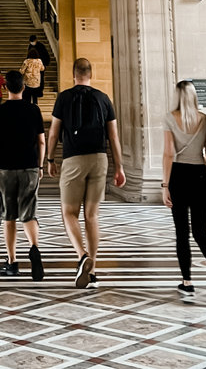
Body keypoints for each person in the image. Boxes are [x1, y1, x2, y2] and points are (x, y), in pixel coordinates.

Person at [46, 58, 126, 288]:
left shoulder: (64, 97)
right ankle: (93, 272)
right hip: (99, 158)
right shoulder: (103, 98)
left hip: (74, 158)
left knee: (69, 212)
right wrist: (118, 166)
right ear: (91, 74)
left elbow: (53, 133)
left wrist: (50, 159)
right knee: (92, 216)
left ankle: (82, 256)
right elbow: (113, 136)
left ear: (73, 74)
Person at [162, 80, 206, 303]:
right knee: (201, 231)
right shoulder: (205, 119)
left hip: (178, 174)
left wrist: (165, 185)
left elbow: (169, 153)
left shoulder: (170, 118)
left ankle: (187, 282)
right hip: (199, 173)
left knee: (182, 232)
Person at [0, 68, 46, 280]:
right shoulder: (33, 110)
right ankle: (34, 248)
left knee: (9, 216)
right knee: (29, 212)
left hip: (7, 168)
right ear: (24, 86)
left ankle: (11, 262)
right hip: (29, 166)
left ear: (5, 87)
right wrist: (40, 166)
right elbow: (41, 141)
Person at [28, 33, 52, 99]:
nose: (32, 43)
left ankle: (39, 91)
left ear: (36, 40)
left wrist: (45, 64)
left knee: (40, 79)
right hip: (33, 66)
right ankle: (34, 91)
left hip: (40, 65)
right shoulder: (30, 46)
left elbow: (45, 55)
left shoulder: (41, 46)